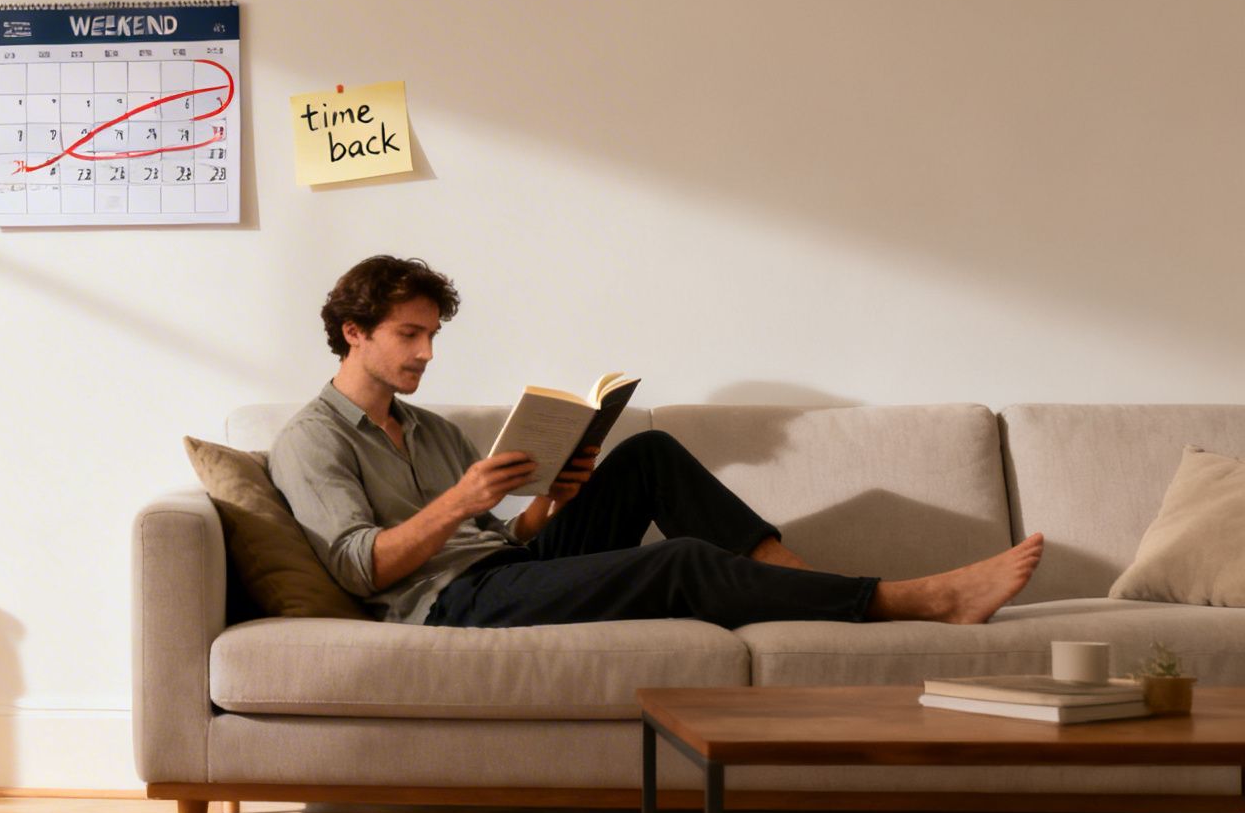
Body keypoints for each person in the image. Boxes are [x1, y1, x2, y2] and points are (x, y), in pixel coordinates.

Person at [267, 254, 1045, 629]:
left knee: (648, 454)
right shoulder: (312, 440)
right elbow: (360, 567)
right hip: (450, 606)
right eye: (410, 336)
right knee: (681, 562)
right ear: (353, 332)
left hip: (503, 567)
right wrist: (464, 500)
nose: (427, 354)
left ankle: (802, 589)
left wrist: (542, 510)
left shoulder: (427, 427)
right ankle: (916, 599)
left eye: (433, 336)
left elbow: (491, 538)